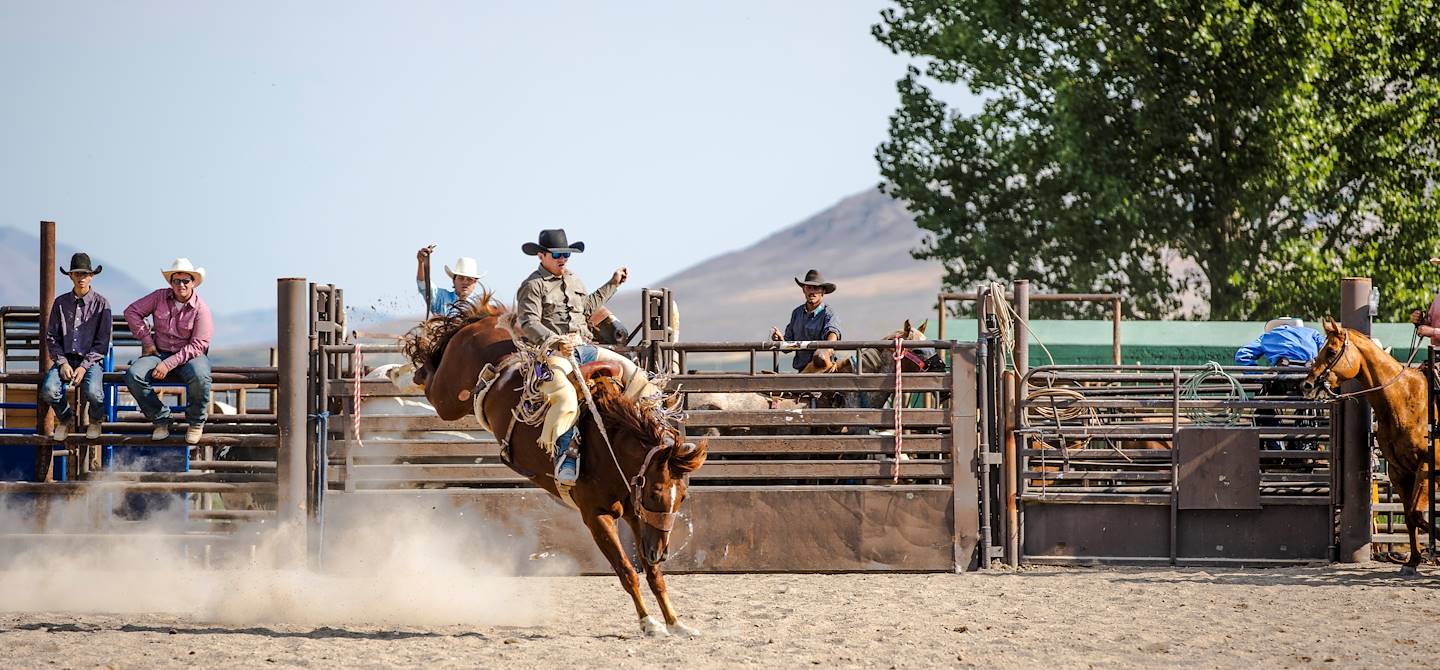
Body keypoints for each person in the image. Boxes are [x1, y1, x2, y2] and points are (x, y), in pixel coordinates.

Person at [514, 228, 628, 484]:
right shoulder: (532, 286)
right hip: (554, 353)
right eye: (556, 255)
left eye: (566, 253)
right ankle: (565, 457)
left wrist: (613, 284)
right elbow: (529, 322)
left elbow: (586, 308)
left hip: (585, 346)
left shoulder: (575, 280)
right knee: (567, 397)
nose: (562, 258)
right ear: (541, 256)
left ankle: (654, 429)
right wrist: (555, 341)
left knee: (631, 372)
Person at [124, 258, 214, 444]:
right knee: (134, 375)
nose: (181, 285)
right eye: (176, 281)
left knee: (201, 376)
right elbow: (132, 311)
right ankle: (161, 419)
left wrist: (167, 364)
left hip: (190, 356)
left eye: (186, 281)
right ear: (171, 283)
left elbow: (198, 344)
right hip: (159, 352)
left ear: (193, 283)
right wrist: (147, 341)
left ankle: (196, 422)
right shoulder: (159, 297)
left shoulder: (201, 309)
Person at [41, 252, 112, 441]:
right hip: (65, 358)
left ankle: (96, 420)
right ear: (71, 276)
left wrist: (84, 366)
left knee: (94, 393)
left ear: (91, 276)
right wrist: (62, 362)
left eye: (85, 274)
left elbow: (102, 343)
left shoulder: (102, 304)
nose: (82, 278)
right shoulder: (60, 303)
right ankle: (65, 418)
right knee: (48, 390)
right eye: (77, 274)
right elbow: (52, 337)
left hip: (90, 360)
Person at [1236, 317, 1325, 451]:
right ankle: (1302, 446)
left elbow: (1243, 355)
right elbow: (1328, 348)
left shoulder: (1267, 336)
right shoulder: (1312, 333)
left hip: (1283, 378)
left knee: (1264, 408)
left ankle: (1276, 446)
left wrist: (1259, 378)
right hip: (1308, 379)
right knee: (1308, 406)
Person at [770, 269, 843, 372]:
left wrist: (826, 349)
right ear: (804, 290)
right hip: (802, 371)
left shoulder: (828, 313)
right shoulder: (797, 313)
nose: (812, 292)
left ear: (823, 291)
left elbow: (833, 333)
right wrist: (781, 341)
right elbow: (789, 347)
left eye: (816, 288)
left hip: (822, 370)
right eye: (809, 288)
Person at [415, 245, 486, 317]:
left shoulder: (480, 306)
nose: (465, 282)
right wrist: (421, 263)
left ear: (475, 283)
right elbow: (424, 284)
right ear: (454, 281)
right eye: (461, 278)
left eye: (469, 279)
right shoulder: (441, 297)